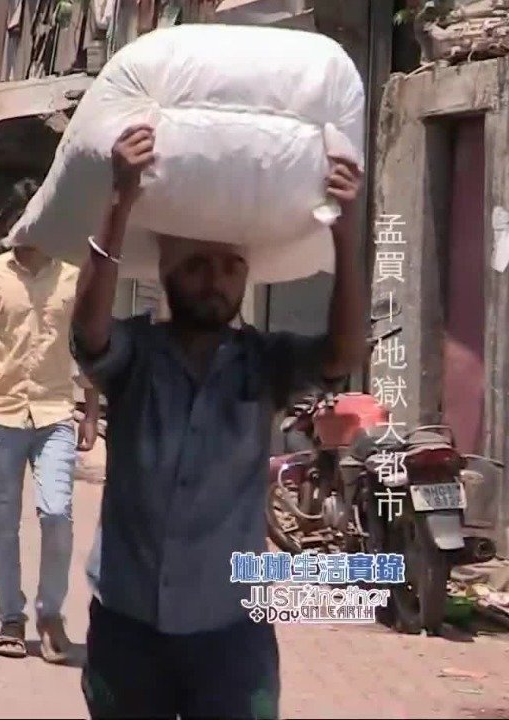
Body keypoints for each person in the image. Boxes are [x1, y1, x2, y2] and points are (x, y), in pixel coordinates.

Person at [74, 125, 365, 719]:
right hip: (129, 623)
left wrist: (346, 231)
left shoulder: (266, 362)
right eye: (198, 264)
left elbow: (341, 353)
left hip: (232, 628)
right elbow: (88, 334)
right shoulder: (136, 357)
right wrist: (120, 202)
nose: (216, 279)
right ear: (168, 274)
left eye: (232, 266)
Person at [0, 178, 98, 665]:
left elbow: (88, 344)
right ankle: (11, 617)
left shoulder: (73, 274)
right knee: (3, 523)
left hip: (55, 413)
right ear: (13, 224)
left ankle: (51, 614)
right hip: (2, 416)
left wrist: (91, 409)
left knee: (56, 514)